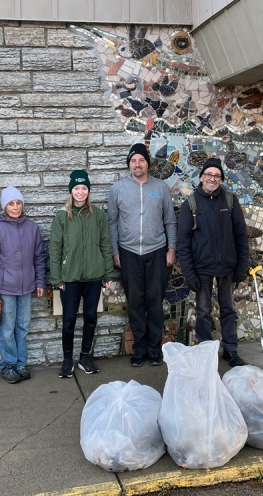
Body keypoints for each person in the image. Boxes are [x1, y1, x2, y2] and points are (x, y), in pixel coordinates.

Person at [107, 143, 177, 367]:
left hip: (156, 251)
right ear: (129, 164)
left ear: (148, 163)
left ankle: (154, 349)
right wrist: (115, 251)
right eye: (133, 161)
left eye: (141, 160)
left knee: (155, 301)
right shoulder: (118, 189)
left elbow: (170, 220)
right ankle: (139, 348)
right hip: (128, 253)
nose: (137, 164)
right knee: (135, 301)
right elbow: (112, 222)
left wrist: (172, 248)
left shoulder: (161, 187)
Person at [177, 157, 250, 367]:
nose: (212, 178)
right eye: (209, 174)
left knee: (228, 309)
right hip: (202, 269)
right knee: (203, 311)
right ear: (201, 177)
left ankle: (231, 350)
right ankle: (206, 352)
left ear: (221, 179)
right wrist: (189, 274)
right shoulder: (190, 204)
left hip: (227, 267)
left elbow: (241, 236)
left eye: (217, 175)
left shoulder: (229, 201)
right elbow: (183, 242)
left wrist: (241, 267)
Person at [50, 170, 115, 378]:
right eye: (76, 188)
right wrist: (56, 277)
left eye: (84, 188)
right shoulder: (62, 216)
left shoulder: (97, 215)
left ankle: (85, 356)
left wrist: (108, 274)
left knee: (90, 317)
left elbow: (105, 244)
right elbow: (55, 248)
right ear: (71, 190)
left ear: (88, 191)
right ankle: (67, 359)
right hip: (69, 277)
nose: (80, 192)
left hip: (94, 276)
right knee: (69, 319)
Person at [0, 186, 47, 384]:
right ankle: (8, 364)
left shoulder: (32, 228)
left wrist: (40, 281)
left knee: (23, 326)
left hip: (27, 286)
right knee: (8, 328)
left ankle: (21, 364)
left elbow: (39, 257)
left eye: (18, 203)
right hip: (6, 288)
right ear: (4, 207)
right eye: (11, 203)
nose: (16, 207)